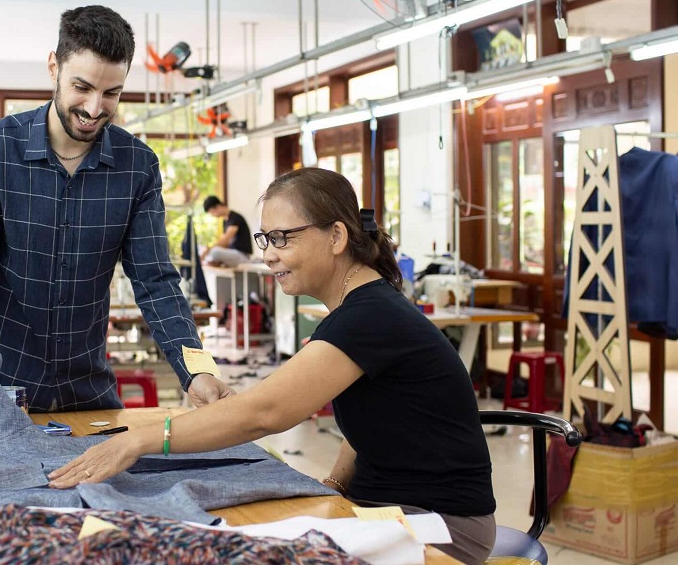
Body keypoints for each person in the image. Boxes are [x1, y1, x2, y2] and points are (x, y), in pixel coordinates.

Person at [49, 168, 497, 564]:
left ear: (337, 237)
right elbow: (376, 423)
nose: (268, 254)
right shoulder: (365, 309)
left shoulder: (369, 318)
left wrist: (140, 440)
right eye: (265, 239)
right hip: (391, 508)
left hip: (444, 529)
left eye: (282, 238)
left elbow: (263, 414)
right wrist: (335, 484)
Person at [0, 5, 233, 412]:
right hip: (0, 387)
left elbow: (156, 281)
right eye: (82, 87)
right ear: (54, 67)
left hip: (89, 393)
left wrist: (196, 369)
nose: (95, 108)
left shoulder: (137, 165)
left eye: (111, 93)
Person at [200, 195, 253, 267]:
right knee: (202, 249)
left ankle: (211, 261)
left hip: (242, 255)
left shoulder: (235, 218)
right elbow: (224, 244)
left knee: (214, 252)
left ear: (217, 207)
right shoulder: (225, 221)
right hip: (232, 254)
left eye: (212, 212)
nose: (213, 215)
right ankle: (213, 262)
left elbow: (225, 240)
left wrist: (208, 250)